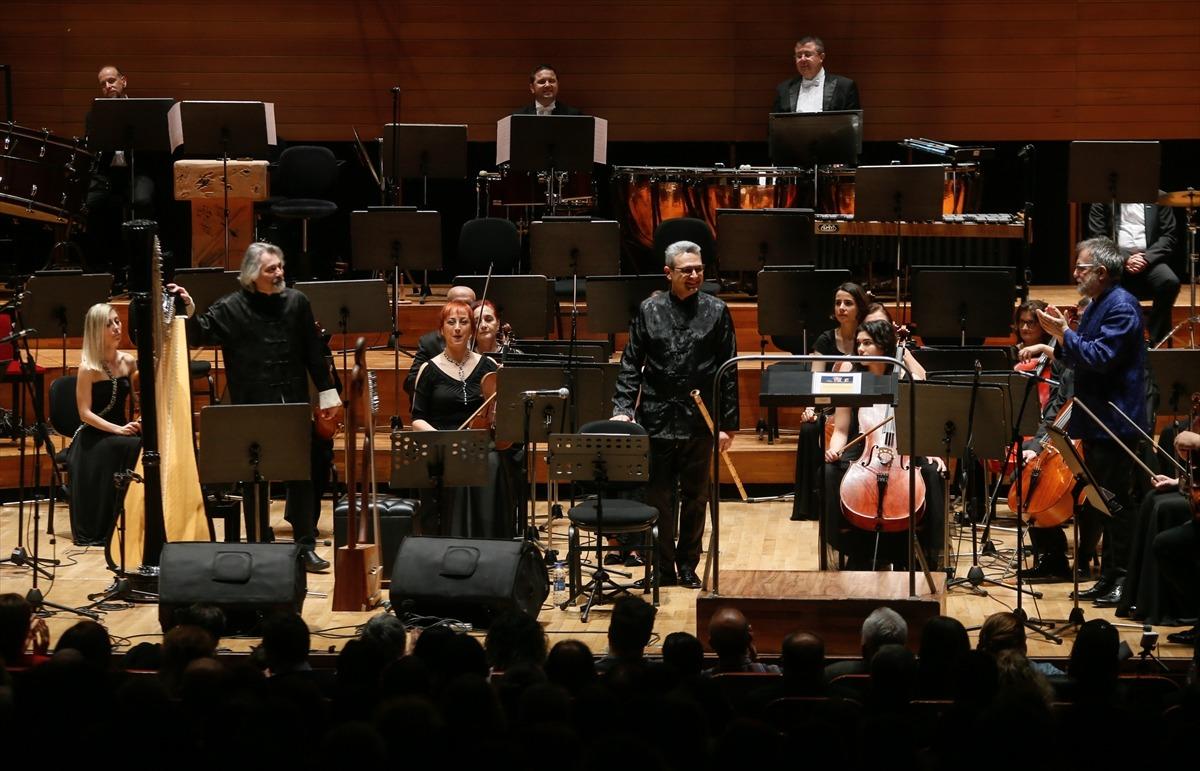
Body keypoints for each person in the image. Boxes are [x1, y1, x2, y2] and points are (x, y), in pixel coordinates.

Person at [172, 242, 339, 572]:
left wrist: (328, 393)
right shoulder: (231, 307)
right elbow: (200, 332)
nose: (279, 273)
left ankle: (304, 545)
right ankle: (259, 543)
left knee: (301, 474)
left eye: (279, 266)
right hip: (251, 405)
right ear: (251, 275)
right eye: (270, 269)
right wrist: (188, 306)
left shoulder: (297, 302)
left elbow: (312, 352)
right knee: (253, 475)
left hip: (291, 402)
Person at [612, 240, 738, 589]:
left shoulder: (717, 311)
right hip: (656, 417)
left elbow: (728, 370)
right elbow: (630, 364)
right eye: (687, 270)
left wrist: (728, 425)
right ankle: (663, 567)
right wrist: (623, 410)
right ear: (669, 273)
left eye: (699, 269)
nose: (695, 275)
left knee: (695, 497)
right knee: (658, 496)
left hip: (700, 420)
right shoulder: (648, 310)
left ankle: (687, 566)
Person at [1036, 237, 1147, 606]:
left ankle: (1123, 580)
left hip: (1116, 422)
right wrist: (1062, 339)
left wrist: (1062, 333)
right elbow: (1078, 358)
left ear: (1101, 272)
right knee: (1103, 502)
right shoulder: (1100, 303)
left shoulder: (1122, 306)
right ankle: (1110, 577)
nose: (1075, 273)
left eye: (1081, 267)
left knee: (1116, 503)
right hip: (1096, 419)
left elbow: (1100, 357)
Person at [822, 320, 945, 570]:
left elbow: (922, 379)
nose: (861, 349)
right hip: (865, 450)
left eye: (867, 343)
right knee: (828, 472)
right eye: (858, 343)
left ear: (883, 346)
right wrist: (835, 449)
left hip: (905, 451)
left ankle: (918, 556)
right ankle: (855, 547)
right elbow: (842, 429)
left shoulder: (901, 375)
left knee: (933, 474)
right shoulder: (853, 379)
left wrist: (903, 351)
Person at [410, 300, 513, 538]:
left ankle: (490, 539)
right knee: (459, 464)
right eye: (451, 322)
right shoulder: (428, 370)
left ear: (472, 329)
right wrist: (443, 439)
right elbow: (417, 418)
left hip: (480, 444)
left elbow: (503, 411)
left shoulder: (489, 366)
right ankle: (457, 539)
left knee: (494, 461)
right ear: (442, 329)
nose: (457, 328)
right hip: (445, 447)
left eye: (464, 322)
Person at [790, 282, 870, 521]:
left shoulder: (866, 338)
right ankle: (811, 503)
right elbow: (816, 380)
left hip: (859, 405)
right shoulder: (825, 340)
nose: (842, 308)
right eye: (838, 303)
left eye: (848, 303)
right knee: (809, 427)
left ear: (859, 307)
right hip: (829, 403)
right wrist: (809, 409)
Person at [66, 303, 142, 546]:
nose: (116, 327)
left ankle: (137, 519)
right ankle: (104, 526)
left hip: (121, 432)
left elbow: (141, 400)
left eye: (118, 321)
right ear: (96, 330)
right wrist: (118, 429)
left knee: (143, 445)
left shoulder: (128, 362)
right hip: (92, 437)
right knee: (131, 447)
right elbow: (84, 413)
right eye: (109, 324)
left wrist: (141, 419)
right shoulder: (88, 367)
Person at [1011, 299, 1075, 581]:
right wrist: (1038, 445)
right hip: (1059, 431)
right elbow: (1057, 407)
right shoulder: (1069, 364)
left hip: (1087, 436)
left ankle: (1063, 558)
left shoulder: (1078, 363)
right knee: (1030, 466)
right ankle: (1050, 556)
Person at [1088, 198, 1179, 345]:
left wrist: (1147, 258)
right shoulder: (1104, 198)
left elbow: (1169, 236)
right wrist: (1125, 259)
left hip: (1150, 260)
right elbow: (1098, 237)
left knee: (1169, 281)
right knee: (1101, 280)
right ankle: (1110, 339)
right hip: (1116, 260)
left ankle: (1156, 340)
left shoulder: (1160, 198)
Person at [403, 285, 477, 398]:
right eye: (457, 304)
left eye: (468, 304)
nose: (462, 309)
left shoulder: (481, 338)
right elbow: (412, 383)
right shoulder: (429, 343)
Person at [772, 35, 861, 114]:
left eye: (807, 54)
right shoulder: (784, 89)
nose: (802, 59)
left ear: (821, 57)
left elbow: (853, 127)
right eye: (799, 56)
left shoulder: (845, 86)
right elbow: (774, 127)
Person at [703, 607, 780, 675]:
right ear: (750, 638)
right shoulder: (775, 672)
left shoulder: (704, 681)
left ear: (711, 643)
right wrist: (753, 662)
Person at [514, 65, 582, 116]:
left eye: (551, 81)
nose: (547, 85)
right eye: (542, 82)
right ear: (532, 88)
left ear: (558, 85)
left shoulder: (574, 115)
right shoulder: (518, 116)